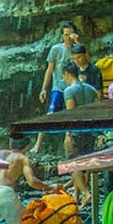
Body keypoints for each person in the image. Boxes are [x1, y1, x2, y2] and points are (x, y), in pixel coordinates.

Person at [37, 21, 79, 153]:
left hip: (73, 88)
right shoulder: (56, 49)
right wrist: (44, 88)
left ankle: (69, 147)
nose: (68, 37)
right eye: (66, 34)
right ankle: (38, 144)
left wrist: (78, 42)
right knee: (50, 115)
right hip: (58, 88)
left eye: (70, 34)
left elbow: (85, 61)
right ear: (62, 35)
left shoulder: (78, 49)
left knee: (71, 116)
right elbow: (49, 70)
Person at [62, 62, 99, 206]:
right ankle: (78, 197)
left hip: (76, 132)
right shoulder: (91, 90)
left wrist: (67, 135)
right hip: (89, 131)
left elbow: (71, 114)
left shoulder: (69, 91)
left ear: (66, 74)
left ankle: (85, 193)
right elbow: (96, 111)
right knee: (85, 163)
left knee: (73, 165)